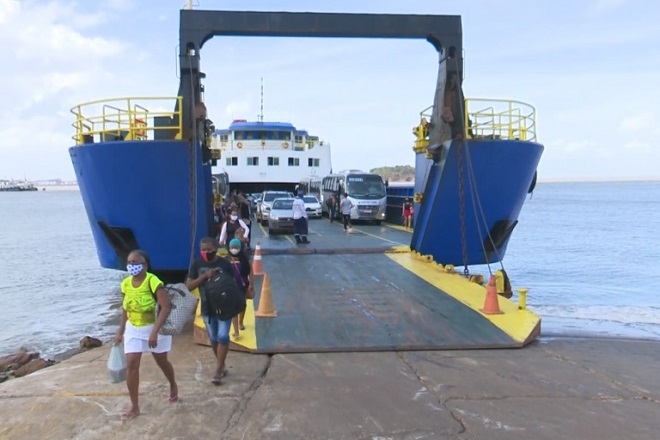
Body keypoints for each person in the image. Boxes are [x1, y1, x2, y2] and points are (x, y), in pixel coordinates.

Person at [114, 249, 178, 421]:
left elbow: (166, 307)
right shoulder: (125, 284)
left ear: (145, 265)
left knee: (162, 361)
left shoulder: (153, 281)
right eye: (129, 262)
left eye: (136, 262)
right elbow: (125, 309)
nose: (132, 265)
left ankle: (173, 384)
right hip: (133, 328)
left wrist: (154, 332)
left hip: (154, 327)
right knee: (131, 365)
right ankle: (134, 406)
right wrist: (120, 331)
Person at [186, 237, 236, 385]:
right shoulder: (197, 264)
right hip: (207, 307)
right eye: (203, 250)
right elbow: (189, 286)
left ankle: (218, 371)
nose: (206, 252)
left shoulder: (225, 264)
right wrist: (204, 276)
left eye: (209, 249)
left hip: (224, 307)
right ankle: (222, 365)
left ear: (216, 249)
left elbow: (232, 284)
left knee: (222, 336)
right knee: (213, 338)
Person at [226, 238, 254, 337]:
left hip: (243, 285)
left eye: (236, 247)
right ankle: (236, 330)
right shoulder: (227, 259)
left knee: (242, 305)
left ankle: (241, 322)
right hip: (231, 287)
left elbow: (251, 271)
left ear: (240, 248)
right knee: (234, 308)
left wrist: (251, 284)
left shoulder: (244, 259)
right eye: (232, 247)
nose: (234, 249)